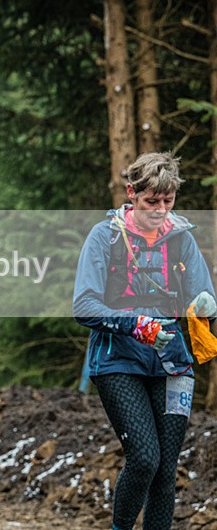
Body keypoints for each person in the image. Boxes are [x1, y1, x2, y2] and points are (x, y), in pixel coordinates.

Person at [73, 151, 216, 530]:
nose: (160, 210)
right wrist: (136, 324)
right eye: (152, 201)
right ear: (131, 192)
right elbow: (84, 305)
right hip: (118, 359)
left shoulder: (181, 237)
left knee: (166, 470)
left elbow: (203, 295)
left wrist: (203, 306)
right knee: (145, 459)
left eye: (168, 202)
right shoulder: (105, 236)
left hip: (173, 361)